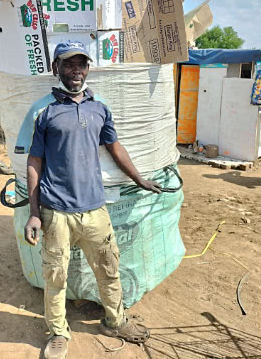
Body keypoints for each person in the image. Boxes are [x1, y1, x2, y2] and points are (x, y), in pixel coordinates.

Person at [16, 41, 162, 359]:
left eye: (81, 64)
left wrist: (138, 178)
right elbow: (34, 162)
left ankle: (115, 321)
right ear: (56, 68)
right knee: (55, 277)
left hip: (95, 210)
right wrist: (34, 213)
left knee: (109, 269)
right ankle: (57, 333)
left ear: (88, 69)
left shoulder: (99, 107)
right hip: (56, 213)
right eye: (68, 64)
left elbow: (115, 147)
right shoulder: (44, 111)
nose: (76, 71)